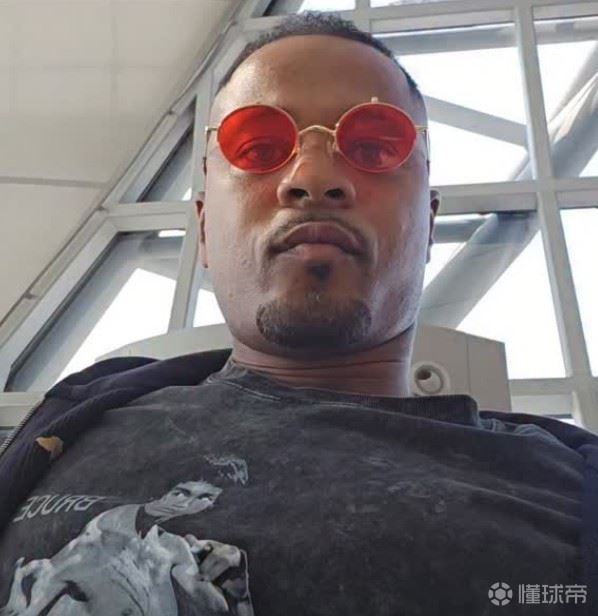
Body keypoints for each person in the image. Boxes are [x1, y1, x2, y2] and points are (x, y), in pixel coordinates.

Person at [0, 11, 596, 616]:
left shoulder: (568, 492)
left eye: (373, 146)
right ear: (203, 228)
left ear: (429, 223)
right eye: (259, 147)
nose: (312, 178)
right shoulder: (74, 425)